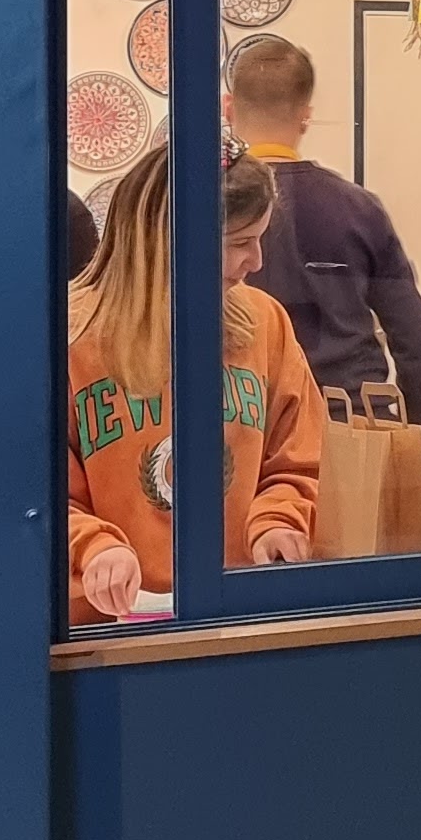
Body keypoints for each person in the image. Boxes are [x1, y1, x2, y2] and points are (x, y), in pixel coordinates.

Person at [65, 145, 319, 622]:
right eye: (240, 242)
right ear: (170, 240)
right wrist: (94, 547)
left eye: (260, 239)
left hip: (238, 614)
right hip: (105, 630)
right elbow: (33, 497)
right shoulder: (70, 336)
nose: (257, 261)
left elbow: (300, 461)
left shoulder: (266, 323)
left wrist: (277, 522)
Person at [222, 35, 421, 439]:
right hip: (351, 424)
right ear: (306, 116)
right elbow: (419, 345)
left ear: (227, 108)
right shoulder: (359, 209)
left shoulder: (199, 211)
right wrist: (415, 445)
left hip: (245, 427)